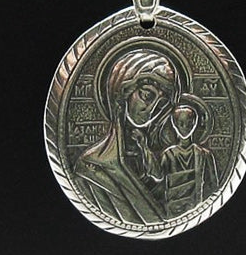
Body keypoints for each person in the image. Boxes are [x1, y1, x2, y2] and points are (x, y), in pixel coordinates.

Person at [75, 49, 180, 224]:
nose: (152, 109)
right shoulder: (92, 167)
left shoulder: (163, 160)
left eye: (161, 103)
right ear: (123, 93)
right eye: (147, 96)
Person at [161, 104, 218, 217]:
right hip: (172, 211)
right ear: (174, 124)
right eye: (181, 123)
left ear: (194, 123)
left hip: (199, 211)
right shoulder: (168, 155)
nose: (185, 127)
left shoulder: (204, 155)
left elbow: (214, 187)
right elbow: (159, 183)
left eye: (189, 123)